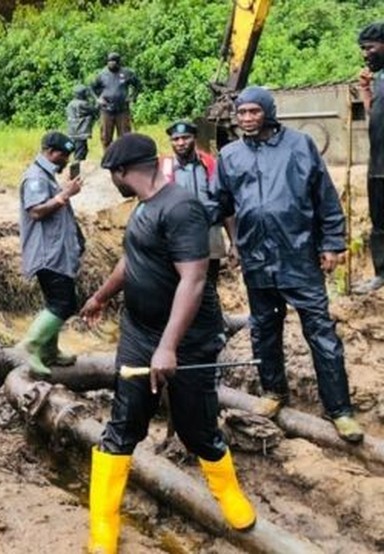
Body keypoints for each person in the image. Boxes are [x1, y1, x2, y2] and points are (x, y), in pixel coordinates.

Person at [80, 133, 255, 554]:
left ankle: (228, 493)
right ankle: (103, 524)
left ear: (122, 172)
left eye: (112, 175)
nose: (113, 182)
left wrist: (169, 347)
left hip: (187, 341)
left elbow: (194, 280)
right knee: (124, 425)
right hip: (139, 334)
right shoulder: (144, 207)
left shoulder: (182, 209)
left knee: (197, 427)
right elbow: (133, 258)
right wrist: (102, 296)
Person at [215, 86, 363, 443]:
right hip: (256, 258)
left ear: (268, 112)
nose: (247, 118)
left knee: (321, 332)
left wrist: (331, 243)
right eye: (242, 113)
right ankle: (273, 392)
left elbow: (324, 196)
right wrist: (233, 243)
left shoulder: (299, 146)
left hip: (298, 255)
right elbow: (222, 205)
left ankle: (339, 409)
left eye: (254, 111)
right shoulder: (230, 155)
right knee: (264, 328)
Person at [15, 131, 84, 378]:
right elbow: (35, 211)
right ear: (51, 152)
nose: (66, 160)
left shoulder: (47, 176)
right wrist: (64, 195)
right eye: (64, 155)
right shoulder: (35, 177)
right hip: (47, 253)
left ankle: (50, 350)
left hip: (57, 251)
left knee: (55, 302)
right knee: (64, 303)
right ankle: (30, 345)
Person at [160, 121, 229, 292]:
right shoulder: (163, 168)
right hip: (178, 236)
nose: (181, 143)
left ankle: (212, 317)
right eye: (176, 139)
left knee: (210, 284)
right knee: (181, 285)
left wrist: (234, 241)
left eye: (186, 138)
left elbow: (225, 202)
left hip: (209, 234)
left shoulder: (210, 164)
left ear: (195, 138)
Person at [355, 22, 384, 294]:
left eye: (370, 47)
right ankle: (381, 274)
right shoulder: (380, 82)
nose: (366, 54)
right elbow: (374, 117)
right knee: (380, 223)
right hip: (378, 165)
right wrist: (366, 93)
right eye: (363, 49)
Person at [91, 52, 140, 149]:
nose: (112, 63)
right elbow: (92, 87)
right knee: (106, 137)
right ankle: (108, 159)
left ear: (118, 62)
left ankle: (124, 159)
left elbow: (138, 85)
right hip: (106, 110)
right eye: (110, 61)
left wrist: (132, 97)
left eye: (114, 61)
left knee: (125, 137)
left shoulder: (126, 73)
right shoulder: (102, 74)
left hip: (122, 110)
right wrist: (97, 99)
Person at [66, 85, 98, 161]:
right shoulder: (82, 104)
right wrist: (95, 98)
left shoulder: (70, 103)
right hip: (80, 133)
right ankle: (77, 170)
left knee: (75, 151)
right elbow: (95, 109)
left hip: (72, 133)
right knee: (80, 155)